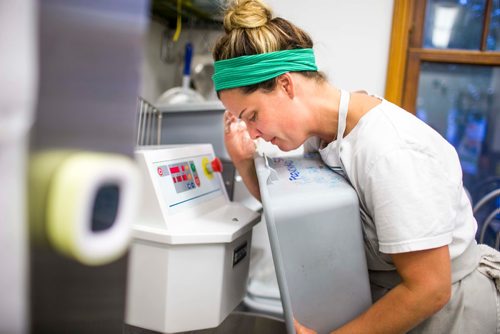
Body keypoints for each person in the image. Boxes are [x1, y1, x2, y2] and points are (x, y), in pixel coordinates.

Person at [211, 0, 500, 333]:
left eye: (252, 117)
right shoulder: (322, 136)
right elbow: (293, 208)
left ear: (286, 85)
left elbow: (429, 290)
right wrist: (246, 161)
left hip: (449, 318)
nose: (253, 134)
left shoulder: (390, 150)